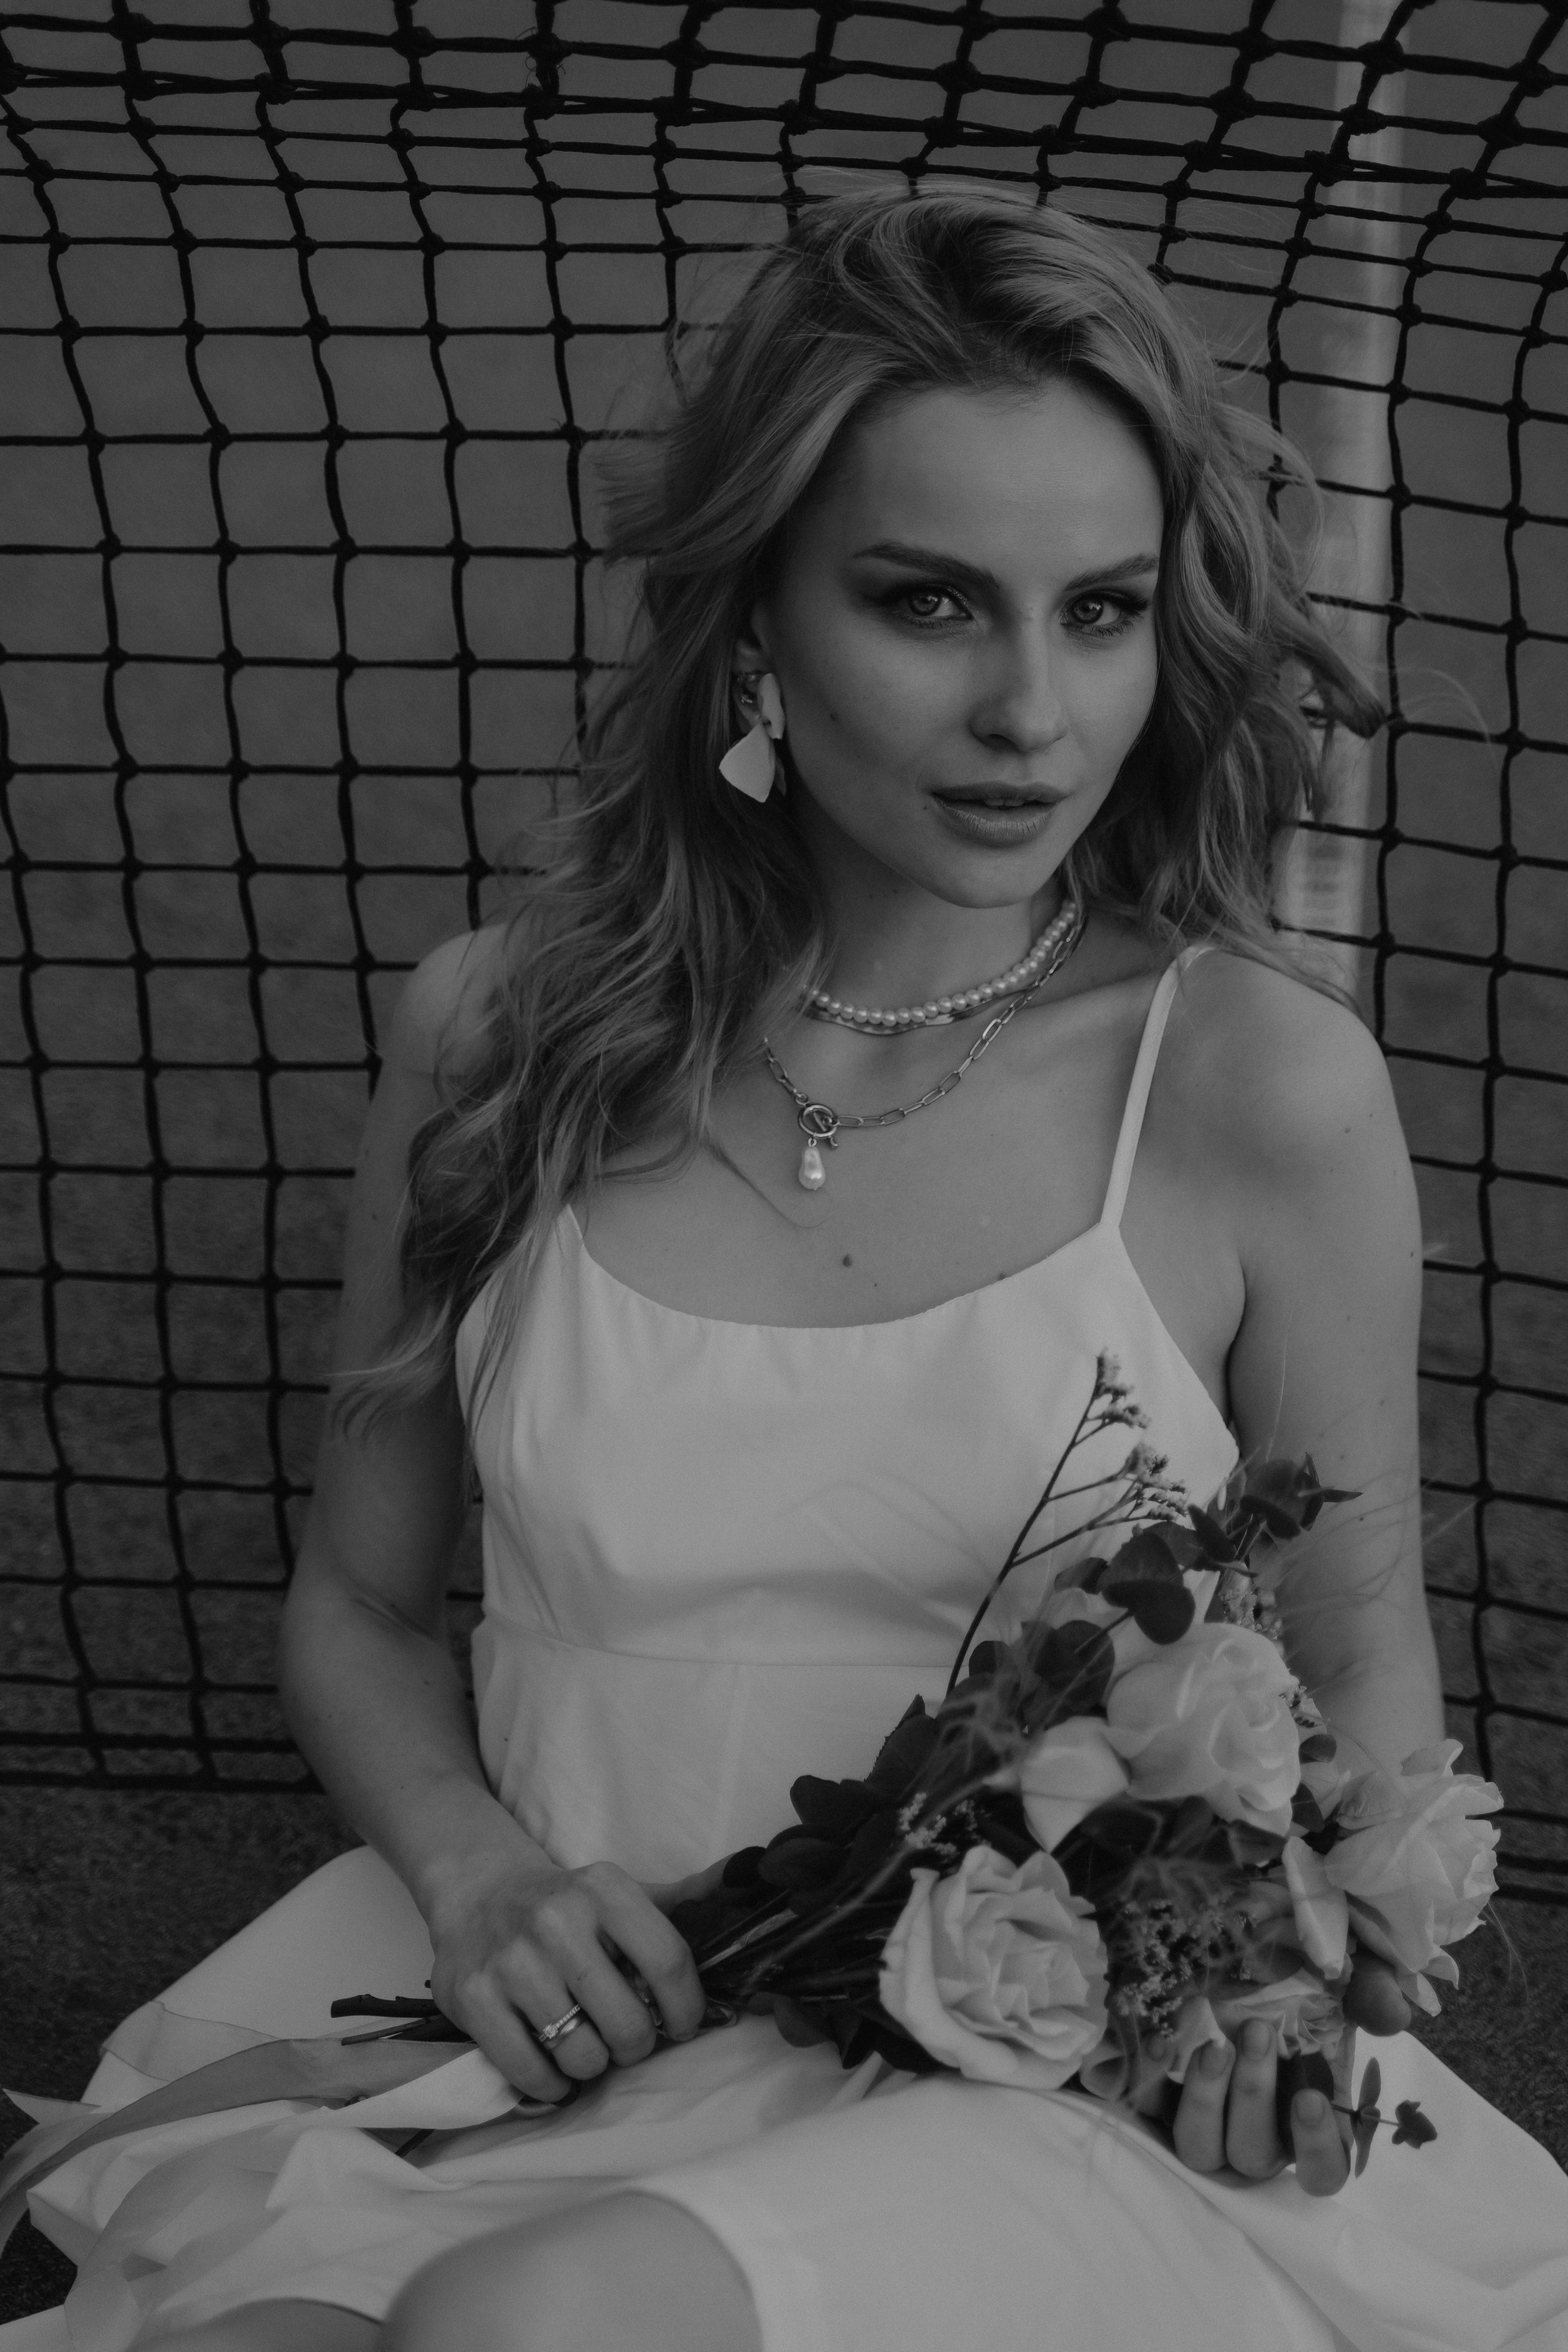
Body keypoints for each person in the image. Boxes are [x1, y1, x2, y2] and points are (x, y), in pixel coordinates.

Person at [7, 189, 1566, 2352]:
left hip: (1056, 2089)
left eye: (1102, 612)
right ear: (754, 618)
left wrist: (1297, 1966)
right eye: (928, 601)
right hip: (565, 2028)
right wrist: (478, 1873)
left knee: (522, 2326)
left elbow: (1359, 1652)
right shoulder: (494, 1039)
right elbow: (360, 1605)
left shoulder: (1256, 1088)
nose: (1032, 709)